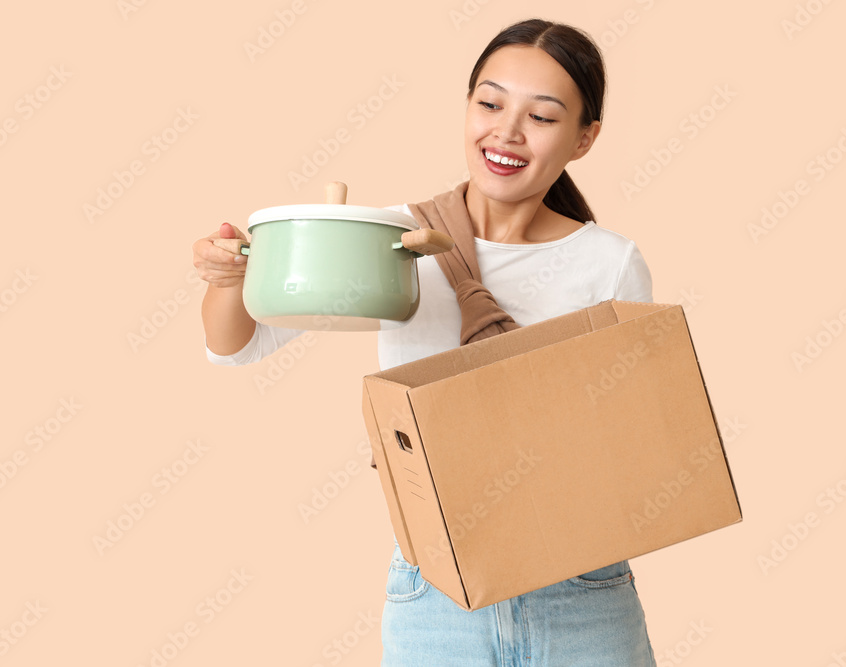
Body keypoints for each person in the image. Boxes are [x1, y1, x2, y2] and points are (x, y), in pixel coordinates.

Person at [192, 17, 656, 666]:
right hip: (436, 587)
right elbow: (236, 344)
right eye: (490, 103)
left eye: (542, 117)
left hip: (580, 587)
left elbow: (641, 433)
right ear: (466, 109)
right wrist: (230, 279)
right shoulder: (389, 239)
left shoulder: (609, 263)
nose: (507, 131)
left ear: (585, 138)